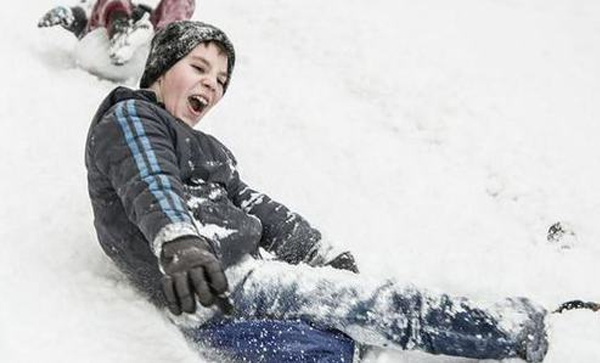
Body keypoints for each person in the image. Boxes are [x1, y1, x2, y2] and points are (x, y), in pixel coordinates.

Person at [85, 20, 550, 362]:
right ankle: (504, 328)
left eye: (221, 80)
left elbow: (259, 209)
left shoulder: (211, 151)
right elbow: (149, 177)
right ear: (162, 69)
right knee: (374, 304)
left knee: (323, 351)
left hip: (219, 302)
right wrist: (180, 241)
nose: (212, 82)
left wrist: (320, 255)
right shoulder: (132, 118)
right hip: (219, 278)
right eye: (199, 67)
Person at [38, 0, 195, 65]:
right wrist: (66, 14)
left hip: (145, 59)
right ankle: (120, 32)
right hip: (100, 45)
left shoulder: (139, 9)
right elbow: (79, 15)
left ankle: (165, 46)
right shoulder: (94, 3)